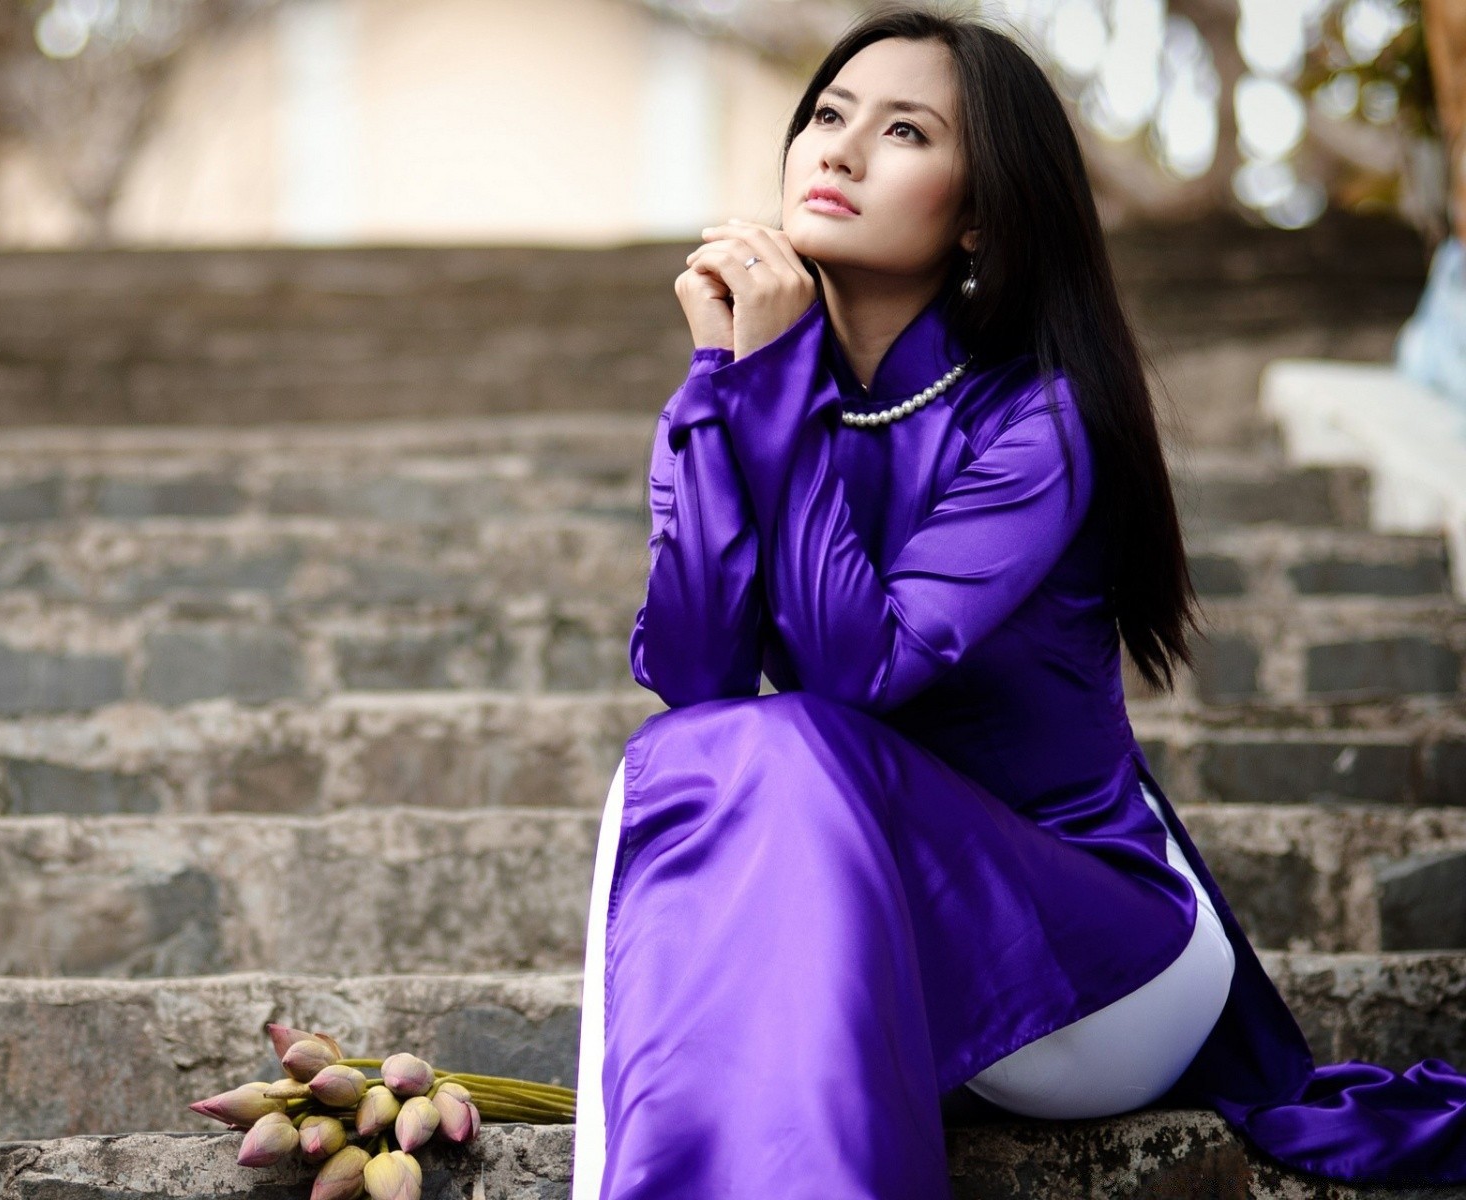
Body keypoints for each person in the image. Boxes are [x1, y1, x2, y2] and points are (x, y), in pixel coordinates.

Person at [569, 7, 1466, 1198]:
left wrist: (775, 385)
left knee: (783, 742)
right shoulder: (741, 395)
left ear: (982, 209)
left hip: (1109, 961)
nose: (838, 151)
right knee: (686, 754)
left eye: (902, 131)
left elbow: (856, 677)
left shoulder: (1035, 421)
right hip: (902, 922)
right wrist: (720, 389)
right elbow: (697, 675)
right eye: (827, 116)